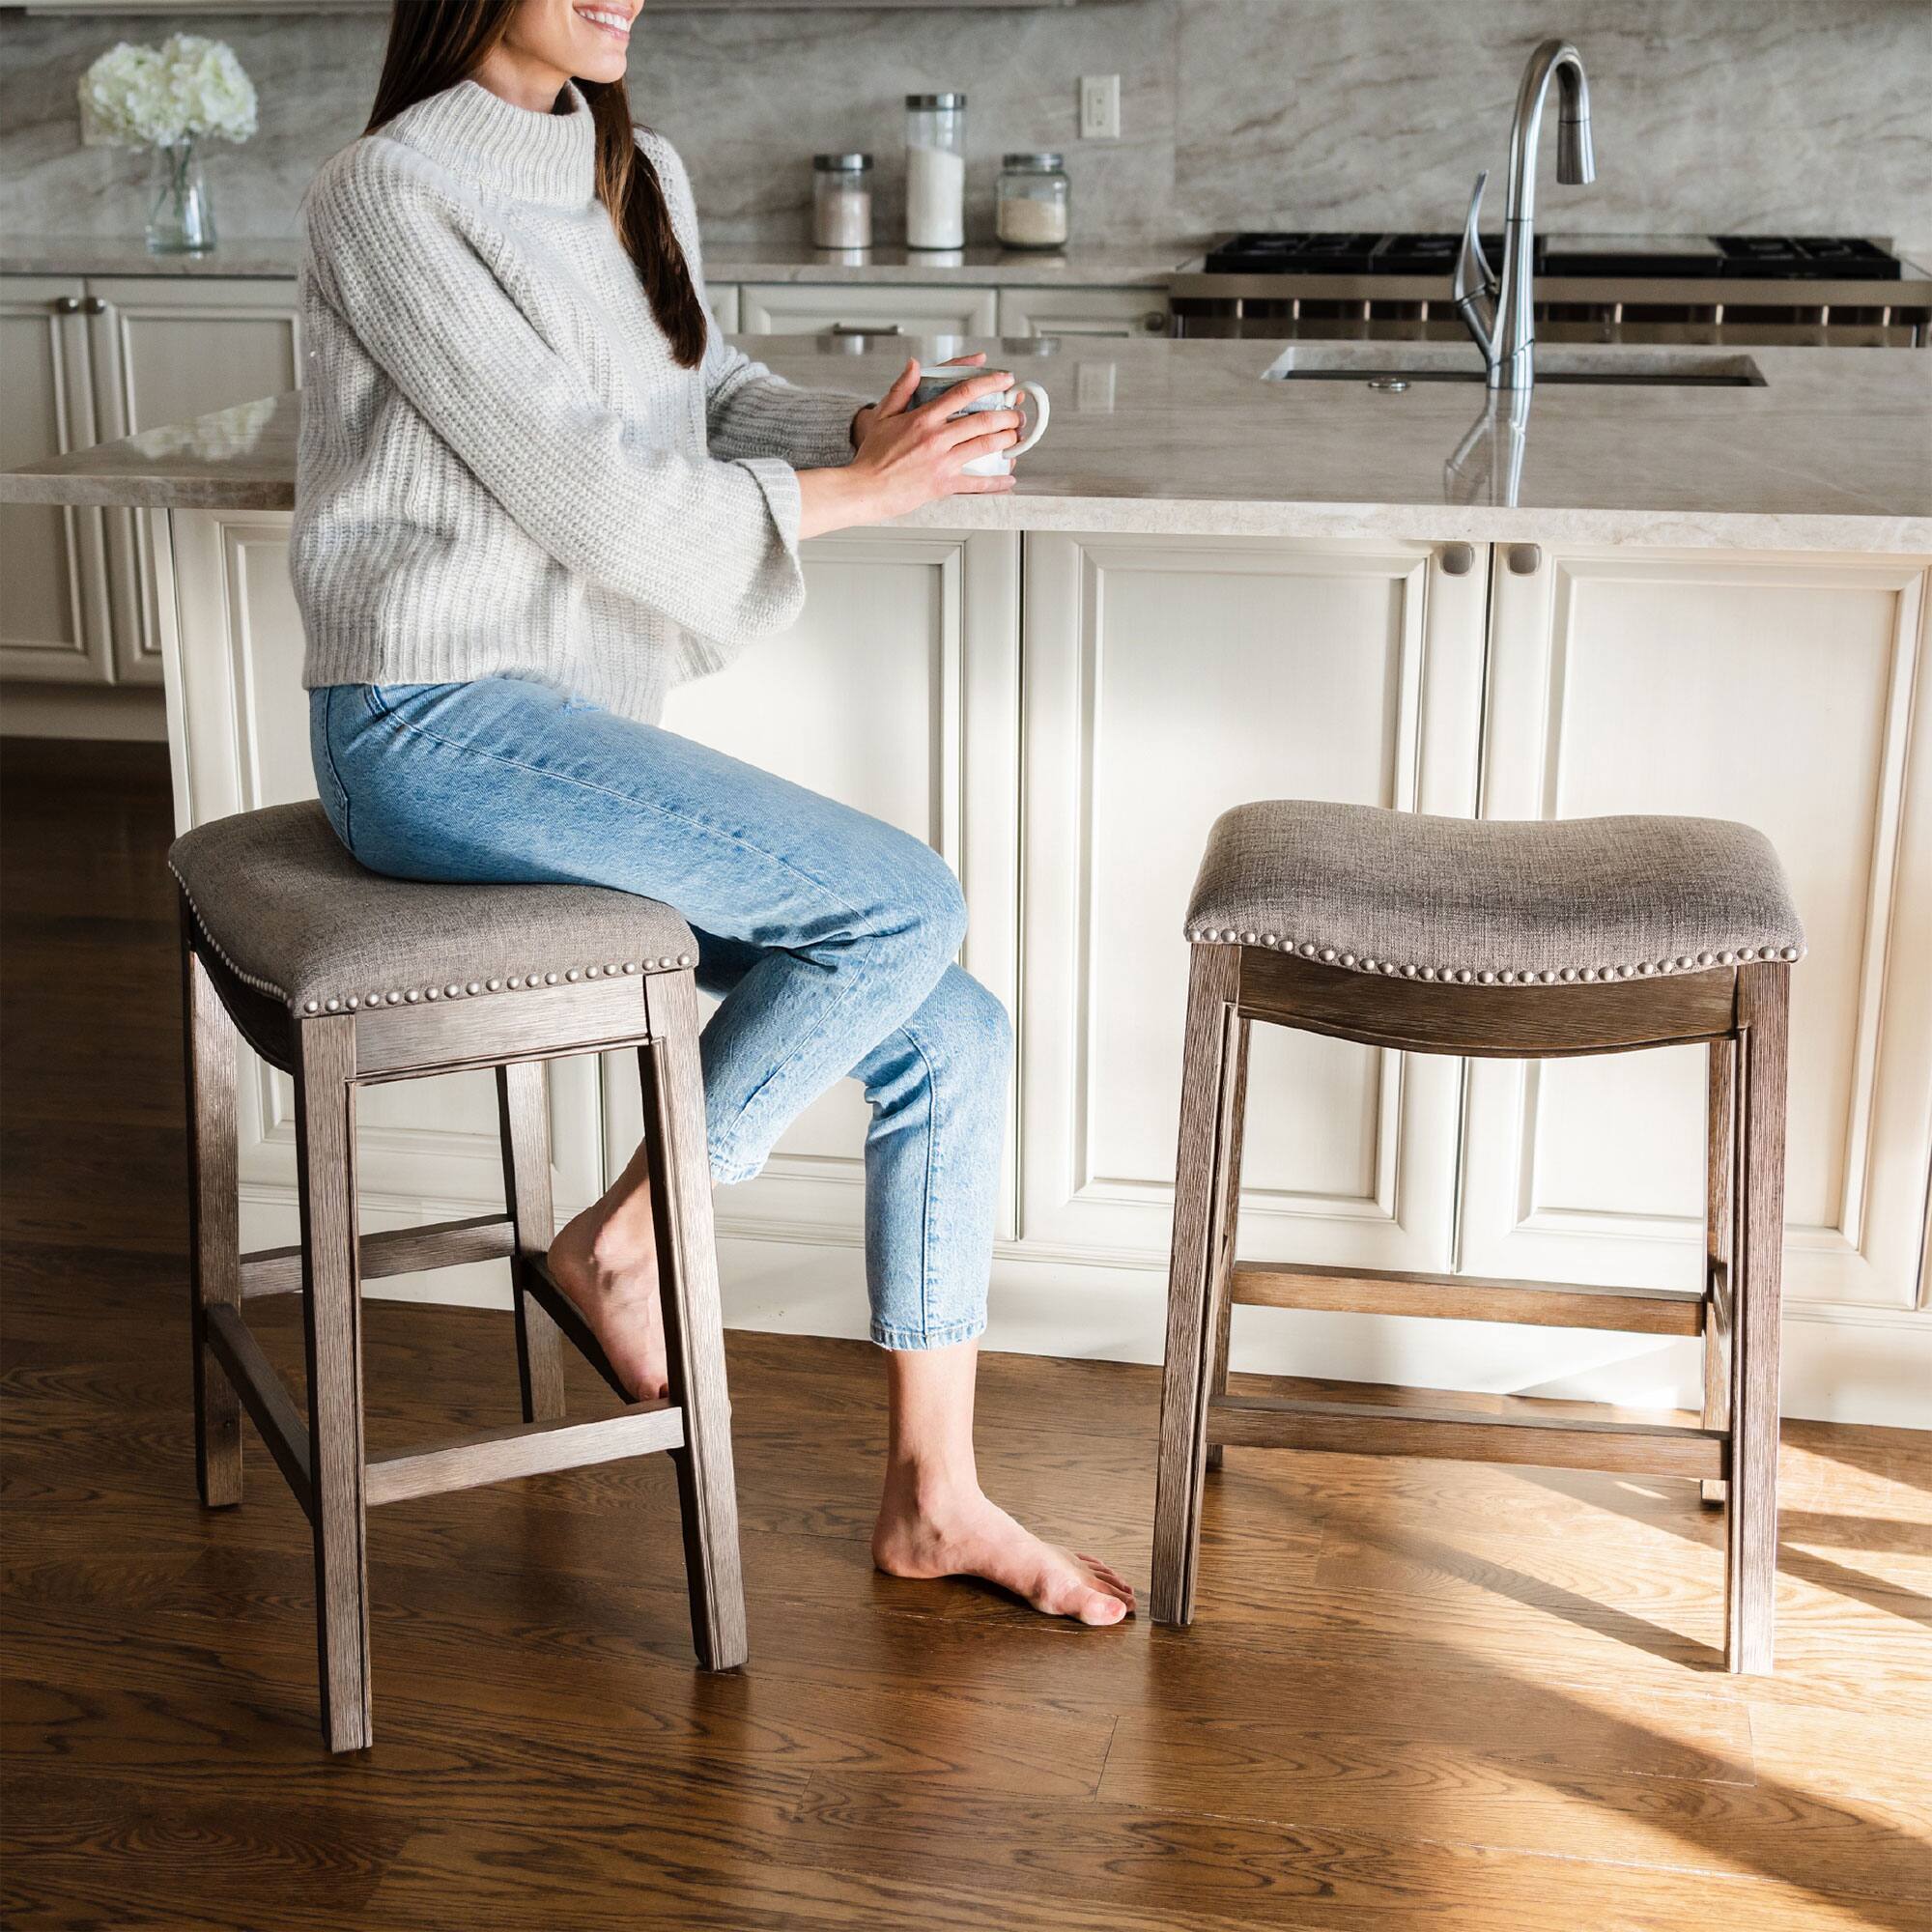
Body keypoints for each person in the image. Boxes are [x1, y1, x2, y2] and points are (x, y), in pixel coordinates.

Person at [294, 0, 1133, 1627]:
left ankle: (933, 1500)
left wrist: (870, 435)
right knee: (901, 902)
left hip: (556, 728)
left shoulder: (630, 163)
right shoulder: (384, 195)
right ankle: (632, 1234)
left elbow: (697, 396)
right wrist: (862, 498)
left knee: (952, 1026)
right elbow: (586, 491)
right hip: (428, 723)